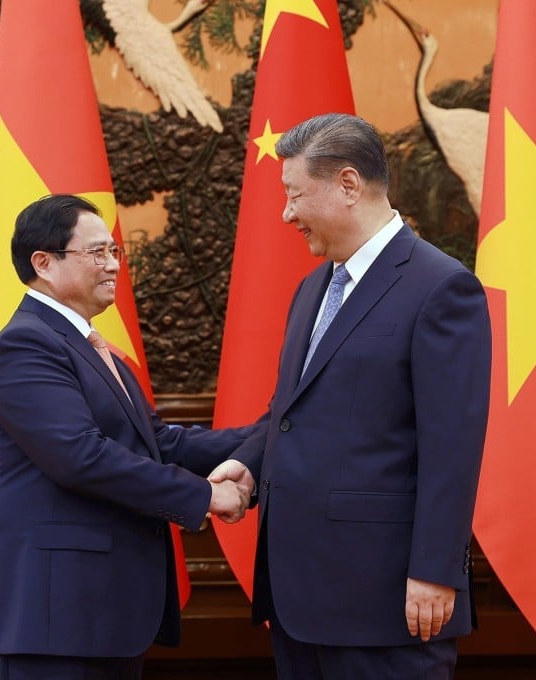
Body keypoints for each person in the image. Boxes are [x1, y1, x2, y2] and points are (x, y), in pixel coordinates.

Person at [210, 113, 492, 679]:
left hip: (386, 601)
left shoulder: (441, 287)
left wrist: (436, 570)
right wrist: (247, 463)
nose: (286, 214)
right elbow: (291, 413)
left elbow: (452, 446)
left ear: (346, 184)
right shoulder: (312, 287)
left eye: (294, 195)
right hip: (299, 600)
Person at [0, 193, 253, 679]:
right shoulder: (26, 343)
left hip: (102, 612)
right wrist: (204, 494)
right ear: (44, 262)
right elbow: (80, 457)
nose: (112, 266)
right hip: (57, 617)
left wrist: (273, 435)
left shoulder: (91, 347)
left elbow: (160, 443)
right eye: (96, 253)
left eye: (114, 253)